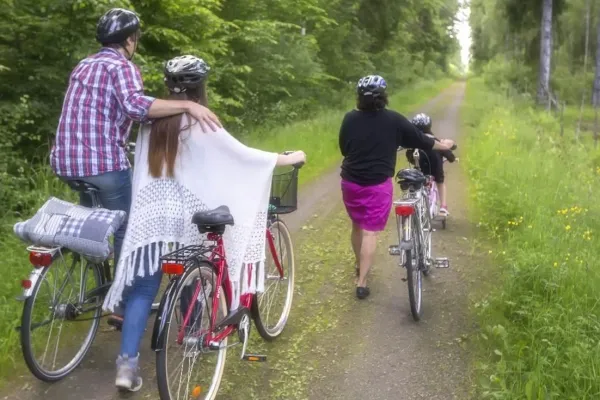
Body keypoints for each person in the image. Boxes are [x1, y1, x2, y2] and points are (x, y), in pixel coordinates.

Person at [101, 55, 306, 392]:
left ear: (168, 85)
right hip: (188, 216)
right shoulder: (200, 120)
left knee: (141, 291)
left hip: (153, 216)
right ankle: (195, 334)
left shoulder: (151, 121)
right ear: (200, 86)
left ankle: (127, 366)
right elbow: (240, 157)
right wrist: (287, 158)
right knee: (197, 265)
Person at [49, 8, 221, 327]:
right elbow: (136, 107)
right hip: (102, 165)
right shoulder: (123, 66)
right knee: (130, 229)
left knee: (99, 223)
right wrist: (187, 104)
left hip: (65, 163)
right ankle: (124, 302)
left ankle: (94, 269)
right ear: (130, 39)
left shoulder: (83, 66)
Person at [338, 75, 454, 300]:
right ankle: (361, 282)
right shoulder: (394, 120)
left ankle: (358, 264)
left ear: (359, 98)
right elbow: (423, 140)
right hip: (377, 185)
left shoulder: (350, 118)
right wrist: (444, 145)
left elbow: (344, 148)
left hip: (350, 183)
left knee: (357, 225)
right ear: (384, 97)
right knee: (370, 230)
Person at [407, 113, 456, 216]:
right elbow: (448, 153)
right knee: (440, 182)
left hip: (419, 167)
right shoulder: (435, 141)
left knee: (416, 180)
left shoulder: (413, 141)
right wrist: (452, 158)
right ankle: (443, 207)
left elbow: (409, 154)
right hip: (435, 166)